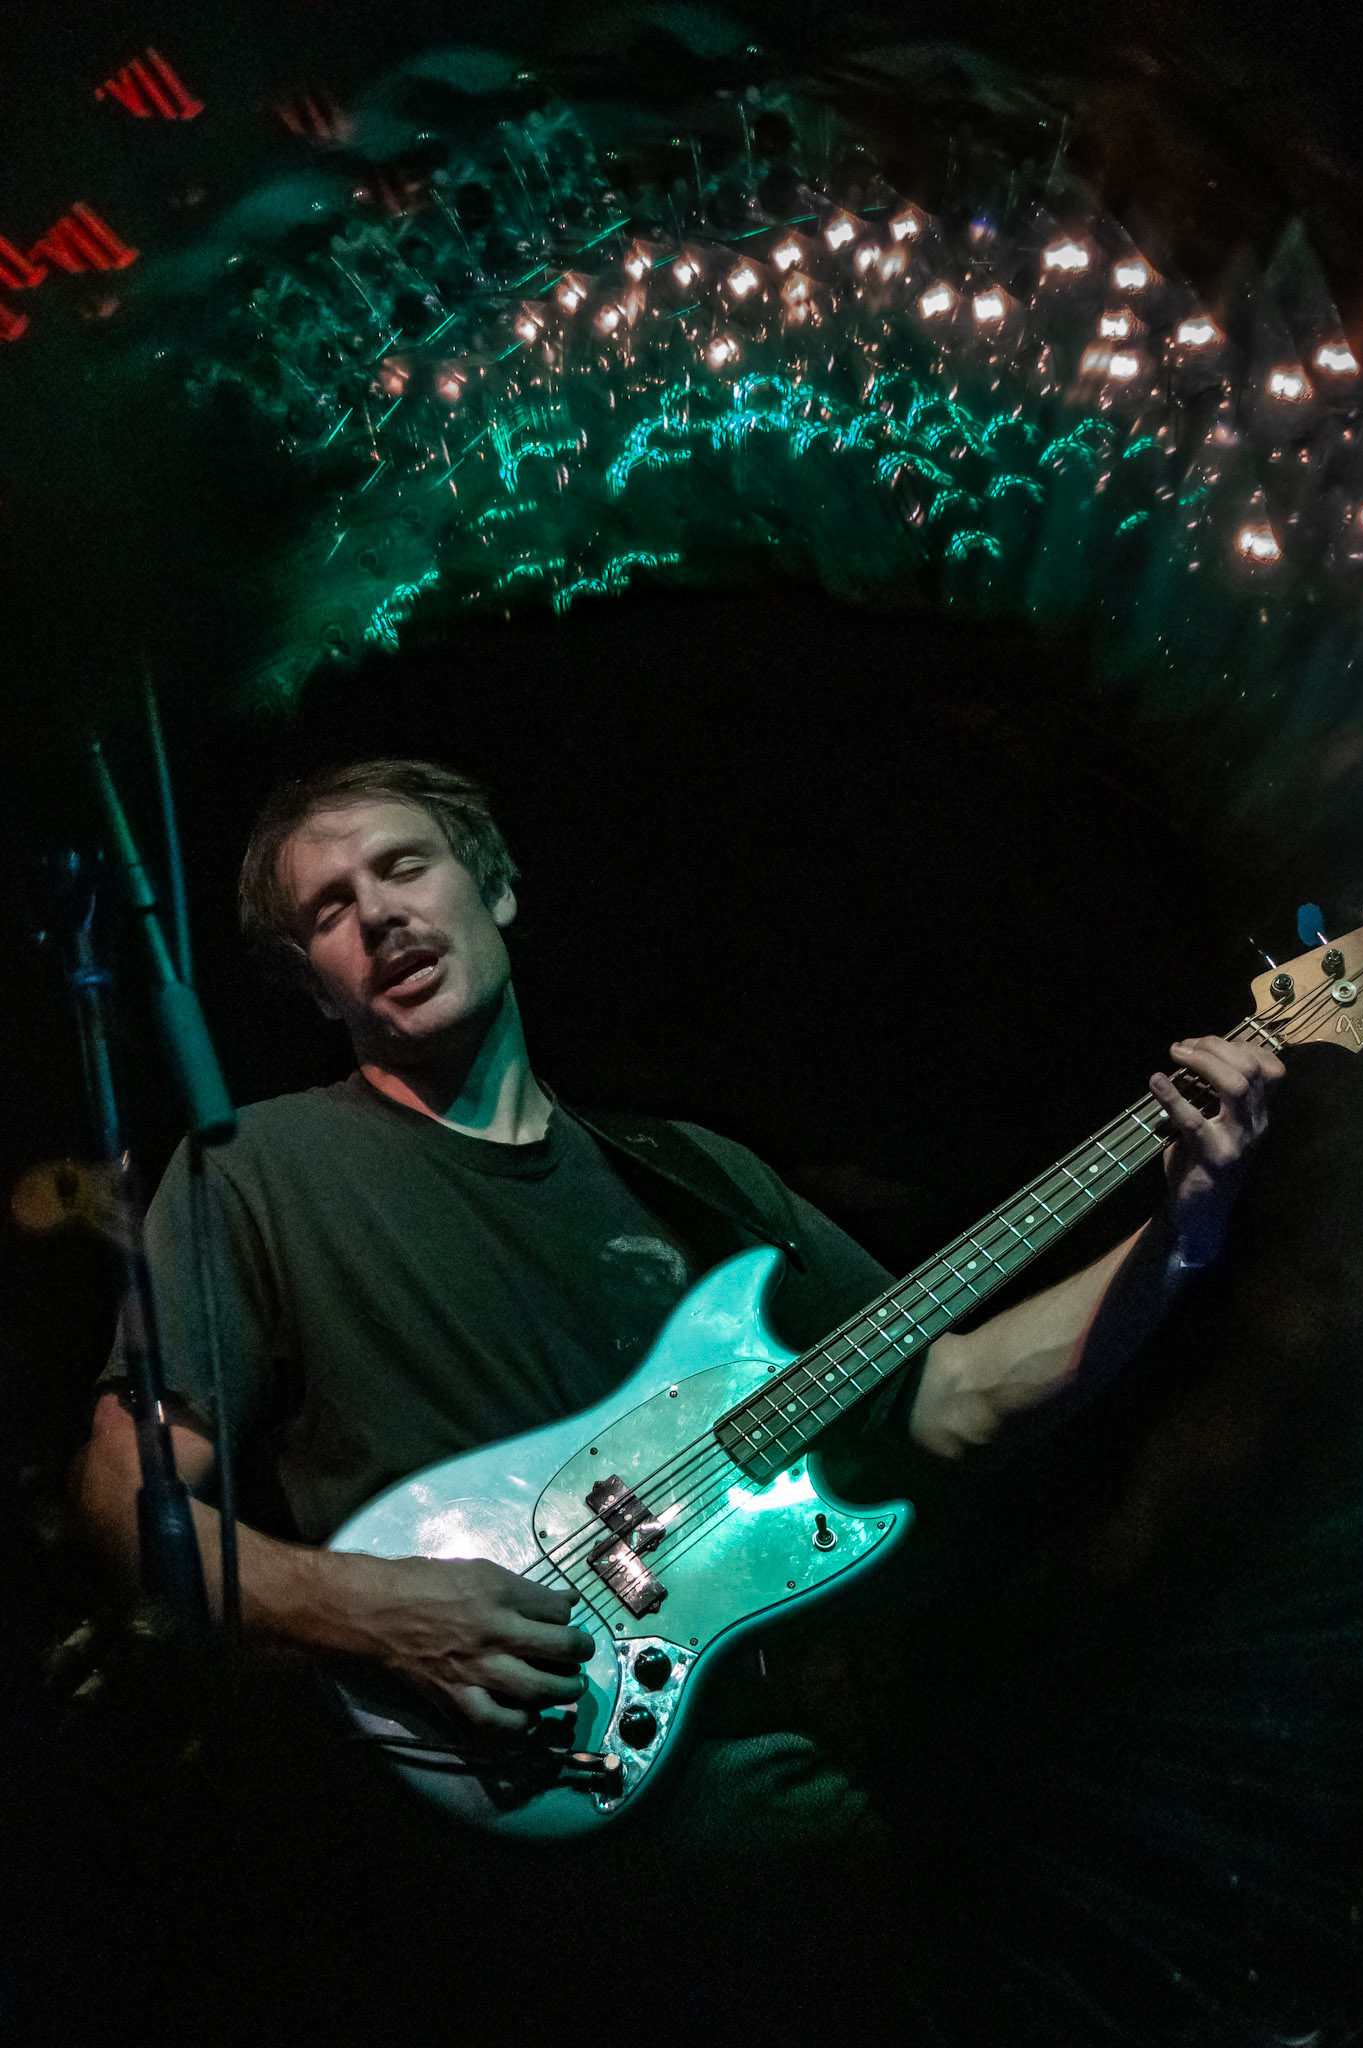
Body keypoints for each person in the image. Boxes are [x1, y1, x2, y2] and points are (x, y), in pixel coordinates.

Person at [68, 756, 1283, 2038]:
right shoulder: (255, 1171)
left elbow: (956, 1392)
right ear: (315, 982)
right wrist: (362, 1606)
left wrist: (1182, 1236)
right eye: (329, 908)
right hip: (475, 1848)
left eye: (404, 863)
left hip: (763, 1822)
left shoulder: (694, 1173)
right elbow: (124, 1489)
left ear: (496, 886)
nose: (377, 913)